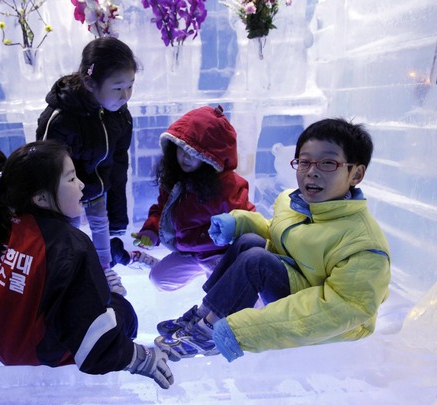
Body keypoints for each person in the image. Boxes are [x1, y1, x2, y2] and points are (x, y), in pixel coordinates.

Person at [0, 141, 173, 389]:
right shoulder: (71, 244)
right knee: (121, 307)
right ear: (41, 198)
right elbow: (91, 349)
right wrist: (138, 357)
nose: (81, 185)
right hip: (42, 358)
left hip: (1, 350)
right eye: (70, 178)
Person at [154, 118, 391, 361]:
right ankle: (205, 314)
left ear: (356, 174)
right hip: (298, 280)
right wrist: (240, 223)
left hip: (333, 316)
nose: (312, 172)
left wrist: (240, 331)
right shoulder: (293, 201)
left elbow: (344, 310)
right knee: (248, 241)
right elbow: (279, 231)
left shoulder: (365, 246)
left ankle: (209, 333)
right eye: (305, 162)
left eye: (328, 163)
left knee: (256, 260)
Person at [111, 106, 255, 292]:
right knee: (159, 279)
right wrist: (151, 232)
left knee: (223, 296)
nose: (185, 158)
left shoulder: (228, 187)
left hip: (219, 255)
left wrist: (230, 256)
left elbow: (246, 222)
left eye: (195, 153)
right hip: (190, 253)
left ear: (210, 158)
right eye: (182, 149)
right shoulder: (176, 178)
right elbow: (162, 210)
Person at [35, 37, 137, 296]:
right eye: (117, 88)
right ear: (90, 83)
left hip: (96, 189)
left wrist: (119, 216)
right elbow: (46, 169)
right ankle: (71, 274)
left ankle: (104, 268)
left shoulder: (119, 113)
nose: (125, 96)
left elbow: (119, 163)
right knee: (69, 233)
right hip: (66, 195)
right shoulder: (61, 118)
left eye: (130, 86)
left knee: (102, 225)